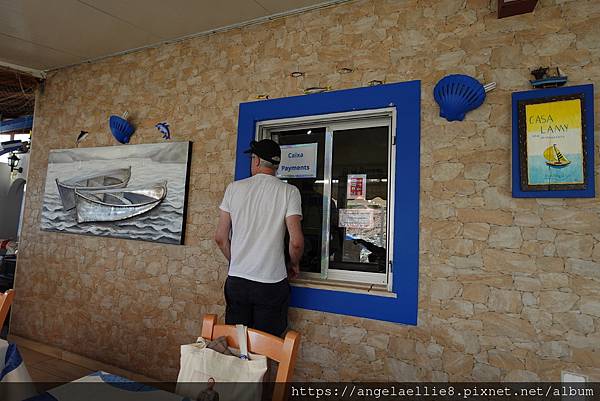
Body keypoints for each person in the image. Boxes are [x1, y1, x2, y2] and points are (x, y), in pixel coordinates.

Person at [214, 139, 304, 337]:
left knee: (238, 344)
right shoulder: (289, 192)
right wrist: (294, 264)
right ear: (276, 165)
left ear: (256, 161)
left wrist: (236, 260)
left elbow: (220, 237)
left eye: (252, 157)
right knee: (266, 347)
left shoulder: (234, 189)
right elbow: (296, 242)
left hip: (238, 281)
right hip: (271, 284)